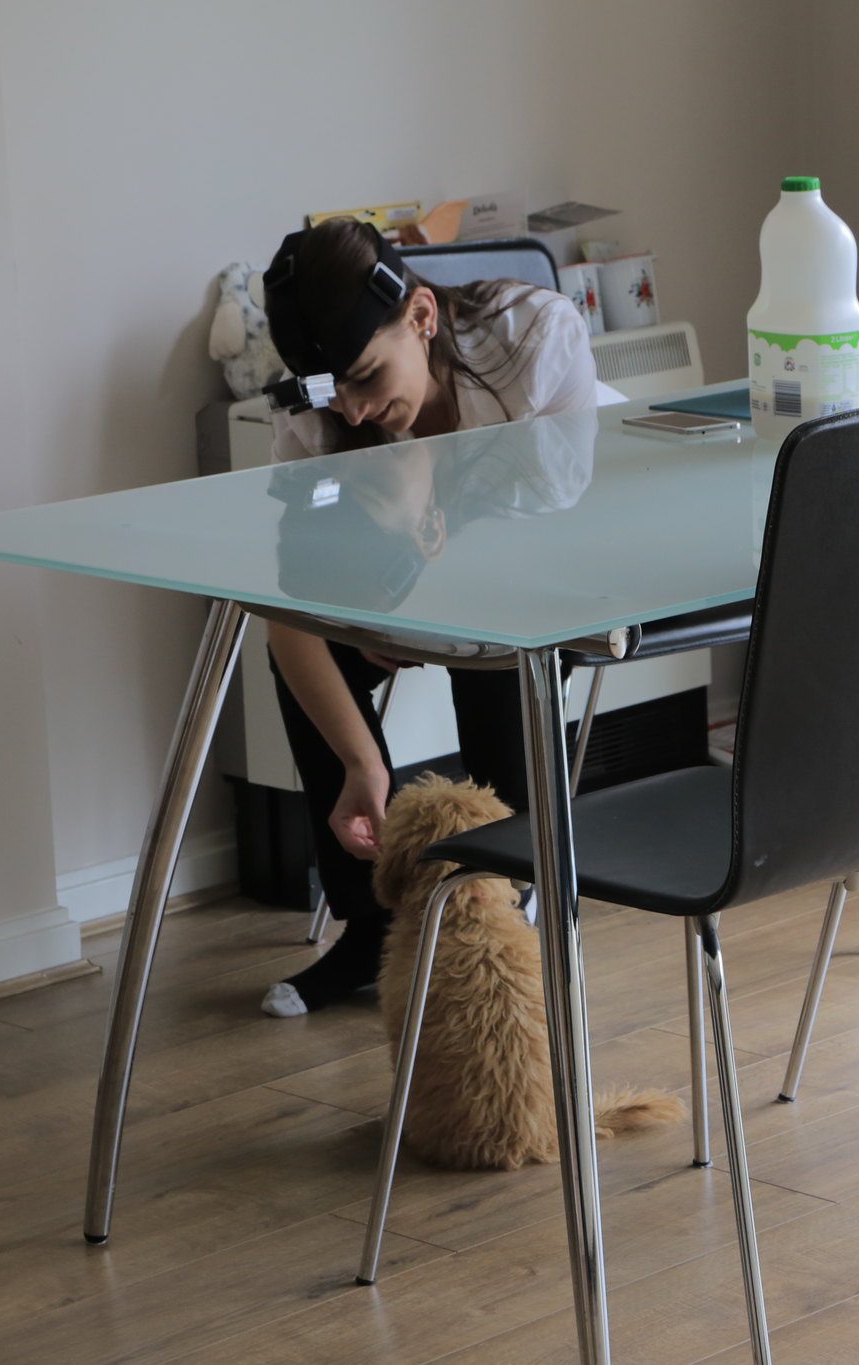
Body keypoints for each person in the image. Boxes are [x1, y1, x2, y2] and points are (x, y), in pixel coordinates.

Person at [257, 217, 606, 1016]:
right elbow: (286, 606)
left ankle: (504, 908)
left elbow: (560, 539)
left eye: (368, 376)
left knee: (493, 648)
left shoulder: (535, 345)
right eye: (333, 387)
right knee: (312, 659)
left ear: (421, 316)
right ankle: (373, 927)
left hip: (527, 587)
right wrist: (362, 765)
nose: (356, 405)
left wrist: (425, 573)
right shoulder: (317, 416)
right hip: (393, 583)